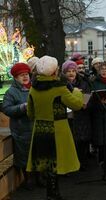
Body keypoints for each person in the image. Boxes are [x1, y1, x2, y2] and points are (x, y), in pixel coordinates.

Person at [26, 55, 83, 200]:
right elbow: (76, 105)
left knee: (47, 162)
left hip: (40, 129)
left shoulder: (33, 89)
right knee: (56, 162)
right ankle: (53, 194)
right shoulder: (60, 88)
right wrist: (76, 91)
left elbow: (30, 113)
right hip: (58, 130)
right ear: (54, 71)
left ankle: (51, 193)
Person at [2, 63, 33, 189]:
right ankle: (27, 180)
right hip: (21, 129)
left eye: (26, 74)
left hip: (34, 126)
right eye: (21, 75)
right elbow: (6, 109)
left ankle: (38, 177)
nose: (25, 77)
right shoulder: (11, 92)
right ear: (15, 77)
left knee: (34, 153)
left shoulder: (33, 88)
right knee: (23, 155)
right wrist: (22, 107)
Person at [61, 60, 92, 171]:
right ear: (64, 73)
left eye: (73, 71)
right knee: (71, 142)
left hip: (82, 115)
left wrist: (85, 103)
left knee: (82, 141)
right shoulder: (61, 84)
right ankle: (71, 164)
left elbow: (88, 95)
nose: (71, 73)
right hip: (68, 116)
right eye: (68, 71)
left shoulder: (83, 82)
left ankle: (82, 162)